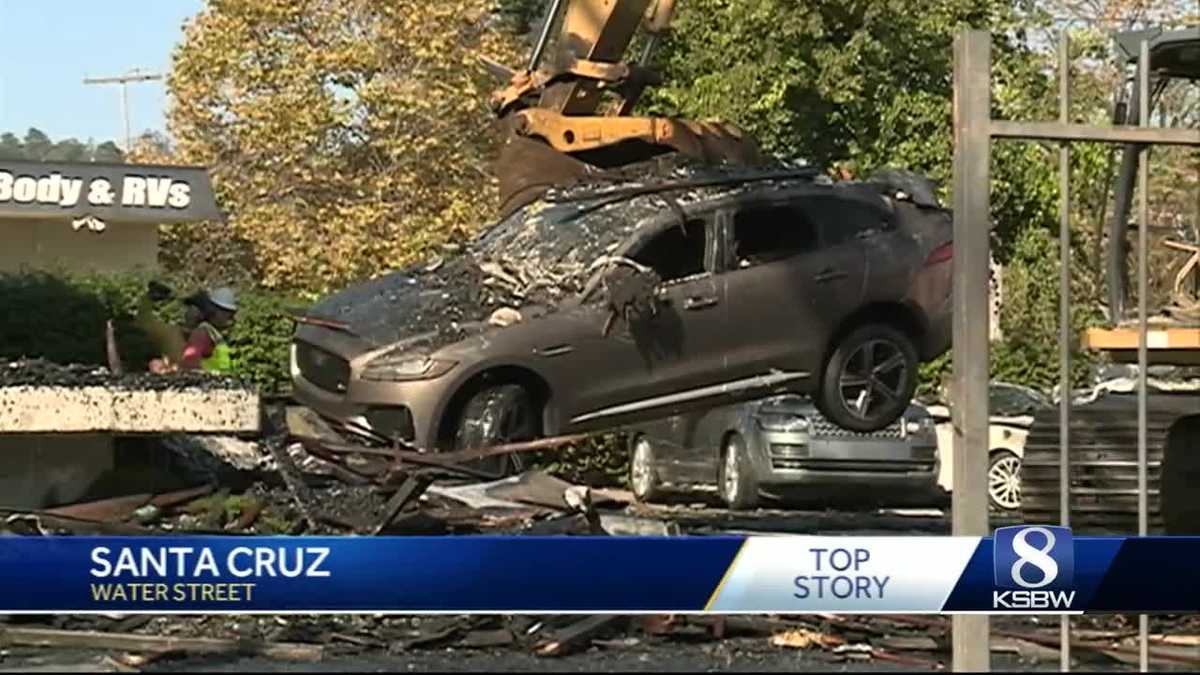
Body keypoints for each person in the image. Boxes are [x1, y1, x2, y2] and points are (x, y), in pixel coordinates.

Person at [178, 287, 238, 373]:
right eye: (228, 314)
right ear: (213, 312)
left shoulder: (216, 336)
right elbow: (190, 361)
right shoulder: (202, 334)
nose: (230, 319)